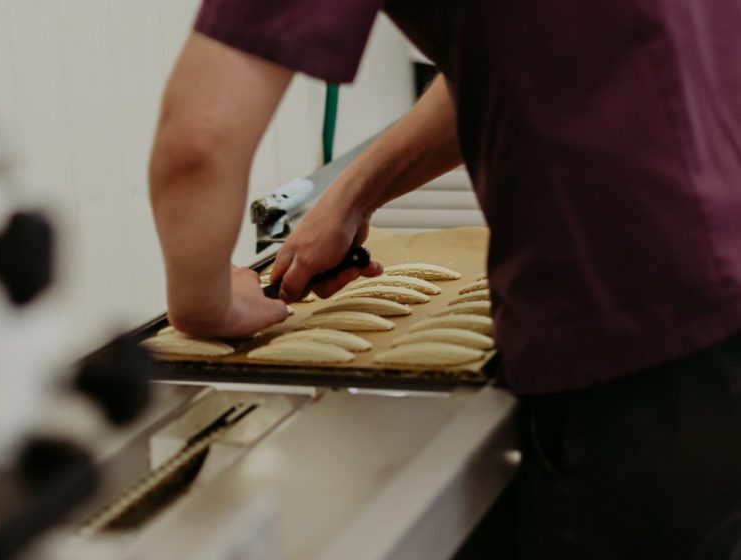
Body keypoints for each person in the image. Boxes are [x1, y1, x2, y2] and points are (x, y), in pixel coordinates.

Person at [148, 1, 741, 558]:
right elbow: (514, 60)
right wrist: (352, 197)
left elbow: (200, 140)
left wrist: (206, 305)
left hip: (638, 331)